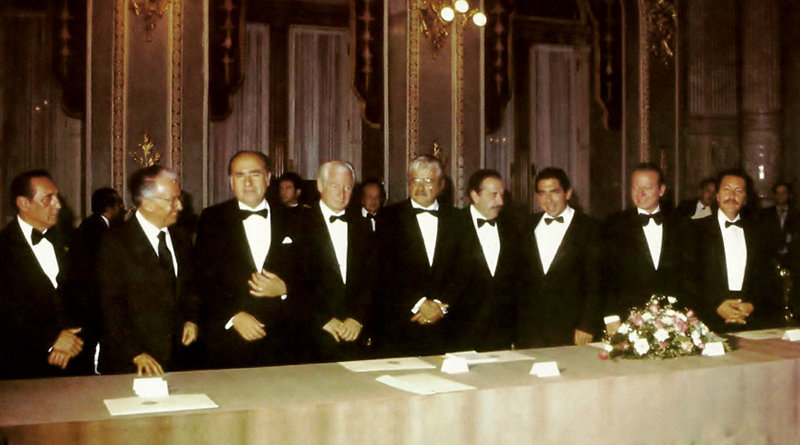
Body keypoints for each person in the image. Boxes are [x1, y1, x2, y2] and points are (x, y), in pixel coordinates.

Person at [194, 151, 304, 368]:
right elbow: (201, 279)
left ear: (268, 178)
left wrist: (285, 289)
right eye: (240, 175)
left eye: (254, 174)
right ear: (231, 181)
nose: (248, 182)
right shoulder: (212, 219)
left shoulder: (296, 219)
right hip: (230, 343)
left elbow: (312, 277)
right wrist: (233, 316)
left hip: (285, 344)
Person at [97, 165, 199, 375]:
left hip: (179, 359)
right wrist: (134, 353)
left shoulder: (181, 237)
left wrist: (192, 319)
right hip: (134, 362)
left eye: (179, 198)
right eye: (172, 200)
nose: (180, 206)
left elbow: (191, 287)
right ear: (148, 203)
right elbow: (109, 306)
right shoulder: (114, 242)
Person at [0, 170, 85, 379]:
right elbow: (6, 313)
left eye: (57, 196)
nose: (58, 204)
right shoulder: (3, 248)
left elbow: (87, 298)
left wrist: (71, 343)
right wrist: (51, 339)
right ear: (23, 203)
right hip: (21, 370)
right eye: (48, 198)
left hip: (75, 363)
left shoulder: (75, 240)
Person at [377, 155, 460, 356]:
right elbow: (384, 270)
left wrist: (440, 306)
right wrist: (419, 303)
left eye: (428, 181)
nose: (421, 187)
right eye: (415, 180)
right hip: (402, 324)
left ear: (441, 185)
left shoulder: (458, 218)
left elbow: (463, 270)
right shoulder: (387, 217)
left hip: (447, 326)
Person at [685, 169, 781, 332]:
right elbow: (688, 277)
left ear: (745, 199)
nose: (732, 195)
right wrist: (716, 305)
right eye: (727, 189)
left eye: (738, 191)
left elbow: (767, 277)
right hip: (708, 319)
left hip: (749, 319)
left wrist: (751, 305)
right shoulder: (694, 230)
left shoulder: (759, 232)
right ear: (717, 195)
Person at [517, 167, 602, 348]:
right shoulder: (525, 226)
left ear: (568, 193)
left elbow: (596, 283)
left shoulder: (591, 228)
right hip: (530, 331)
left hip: (572, 330)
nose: (548, 199)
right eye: (542, 193)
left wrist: (587, 325)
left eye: (554, 192)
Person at [300, 161, 375, 361]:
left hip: (354, 334)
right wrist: (322, 319)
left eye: (347, 187)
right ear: (320, 185)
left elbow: (372, 279)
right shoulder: (297, 224)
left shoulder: (363, 226)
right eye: (335, 186)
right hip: (312, 335)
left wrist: (358, 318)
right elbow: (293, 282)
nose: (342, 194)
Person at [448, 169, 522, 351]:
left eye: (502, 195)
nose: (500, 201)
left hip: (501, 332)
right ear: (475, 195)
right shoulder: (452, 225)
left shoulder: (512, 225)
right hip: (460, 331)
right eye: (493, 195)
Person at [602, 163, 685, 322]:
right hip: (627, 317)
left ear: (661, 190)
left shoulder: (680, 224)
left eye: (647, 188)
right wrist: (611, 318)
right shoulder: (614, 224)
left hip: (673, 318)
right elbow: (606, 277)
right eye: (635, 187)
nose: (640, 194)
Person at [70, 187, 123, 374]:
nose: (121, 208)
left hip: (84, 300)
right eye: (119, 204)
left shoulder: (87, 225)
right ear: (111, 207)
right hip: (94, 301)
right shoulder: (103, 232)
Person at [759, 182, 797, 268]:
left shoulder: (796, 215)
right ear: (774, 195)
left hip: (792, 261)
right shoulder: (765, 214)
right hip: (770, 261)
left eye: (783, 193)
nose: (780, 196)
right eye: (777, 193)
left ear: (789, 195)